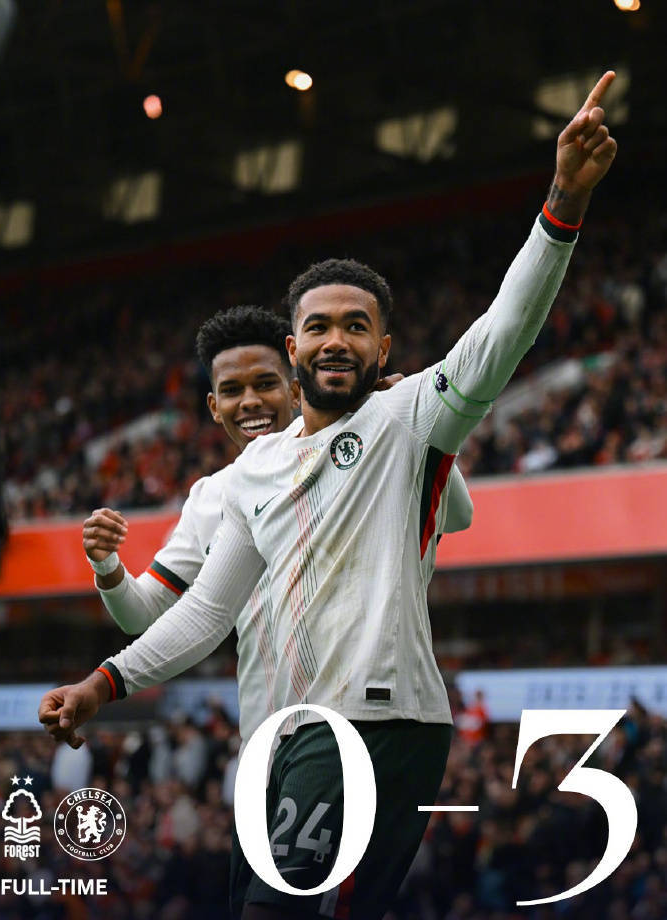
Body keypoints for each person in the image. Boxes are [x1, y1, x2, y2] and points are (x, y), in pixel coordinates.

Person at [40, 73, 617, 920]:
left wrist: (563, 202)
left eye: (356, 326)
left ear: (384, 347)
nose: (336, 340)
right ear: (293, 348)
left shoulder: (410, 417)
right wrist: (103, 683)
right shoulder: (251, 475)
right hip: (280, 739)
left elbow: (506, 326)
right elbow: (207, 613)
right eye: (319, 326)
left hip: (371, 727)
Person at [71, 302, 474, 917]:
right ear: (213, 407)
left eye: (264, 384)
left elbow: (459, 513)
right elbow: (148, 613)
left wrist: (407, 427)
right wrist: (108, 570)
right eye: (232, 391)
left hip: (346, 725)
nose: (250, 402)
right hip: (264, 751)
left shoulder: (368, 443)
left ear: (295, 382)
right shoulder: (216, 496)